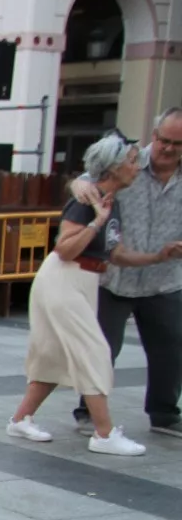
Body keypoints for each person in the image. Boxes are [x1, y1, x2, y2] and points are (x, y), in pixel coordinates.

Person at [9, 135, 178, 455]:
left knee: (53, 354)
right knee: (95, 351)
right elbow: (64, 248)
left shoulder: (111, 201)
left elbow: (117, 254)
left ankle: (20, 419)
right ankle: (104, 433)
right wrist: (96, 221)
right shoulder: (88, 202)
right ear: (113, 167)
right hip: (64, 279)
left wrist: (160, 256)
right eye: (130, 161)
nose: (136, 166)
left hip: (84, 279)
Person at [71, 109, 182, 440]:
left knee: (172, 347)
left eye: (177, 143)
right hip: (113, 277)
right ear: (154, 134)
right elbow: (86, 179)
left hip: (165, 278)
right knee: (102, 348)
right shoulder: (129, 162)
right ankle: (88, 410)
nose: (168, 148)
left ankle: (164, 413)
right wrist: (77, 183)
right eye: (163, 139)